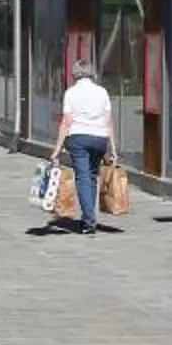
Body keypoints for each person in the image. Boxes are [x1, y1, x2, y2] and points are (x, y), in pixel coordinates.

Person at [57, 61, 115, 234]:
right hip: (100, 139)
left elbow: (66, 122)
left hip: (79, 138)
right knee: (91, 176)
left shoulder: (71, 93)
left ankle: (89, 220)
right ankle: (88, 215)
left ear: (75, 73)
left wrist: (57, 148)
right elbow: (108, 121)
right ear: (91, 73)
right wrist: (113, 148)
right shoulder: (102, 92)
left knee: (82, 177)